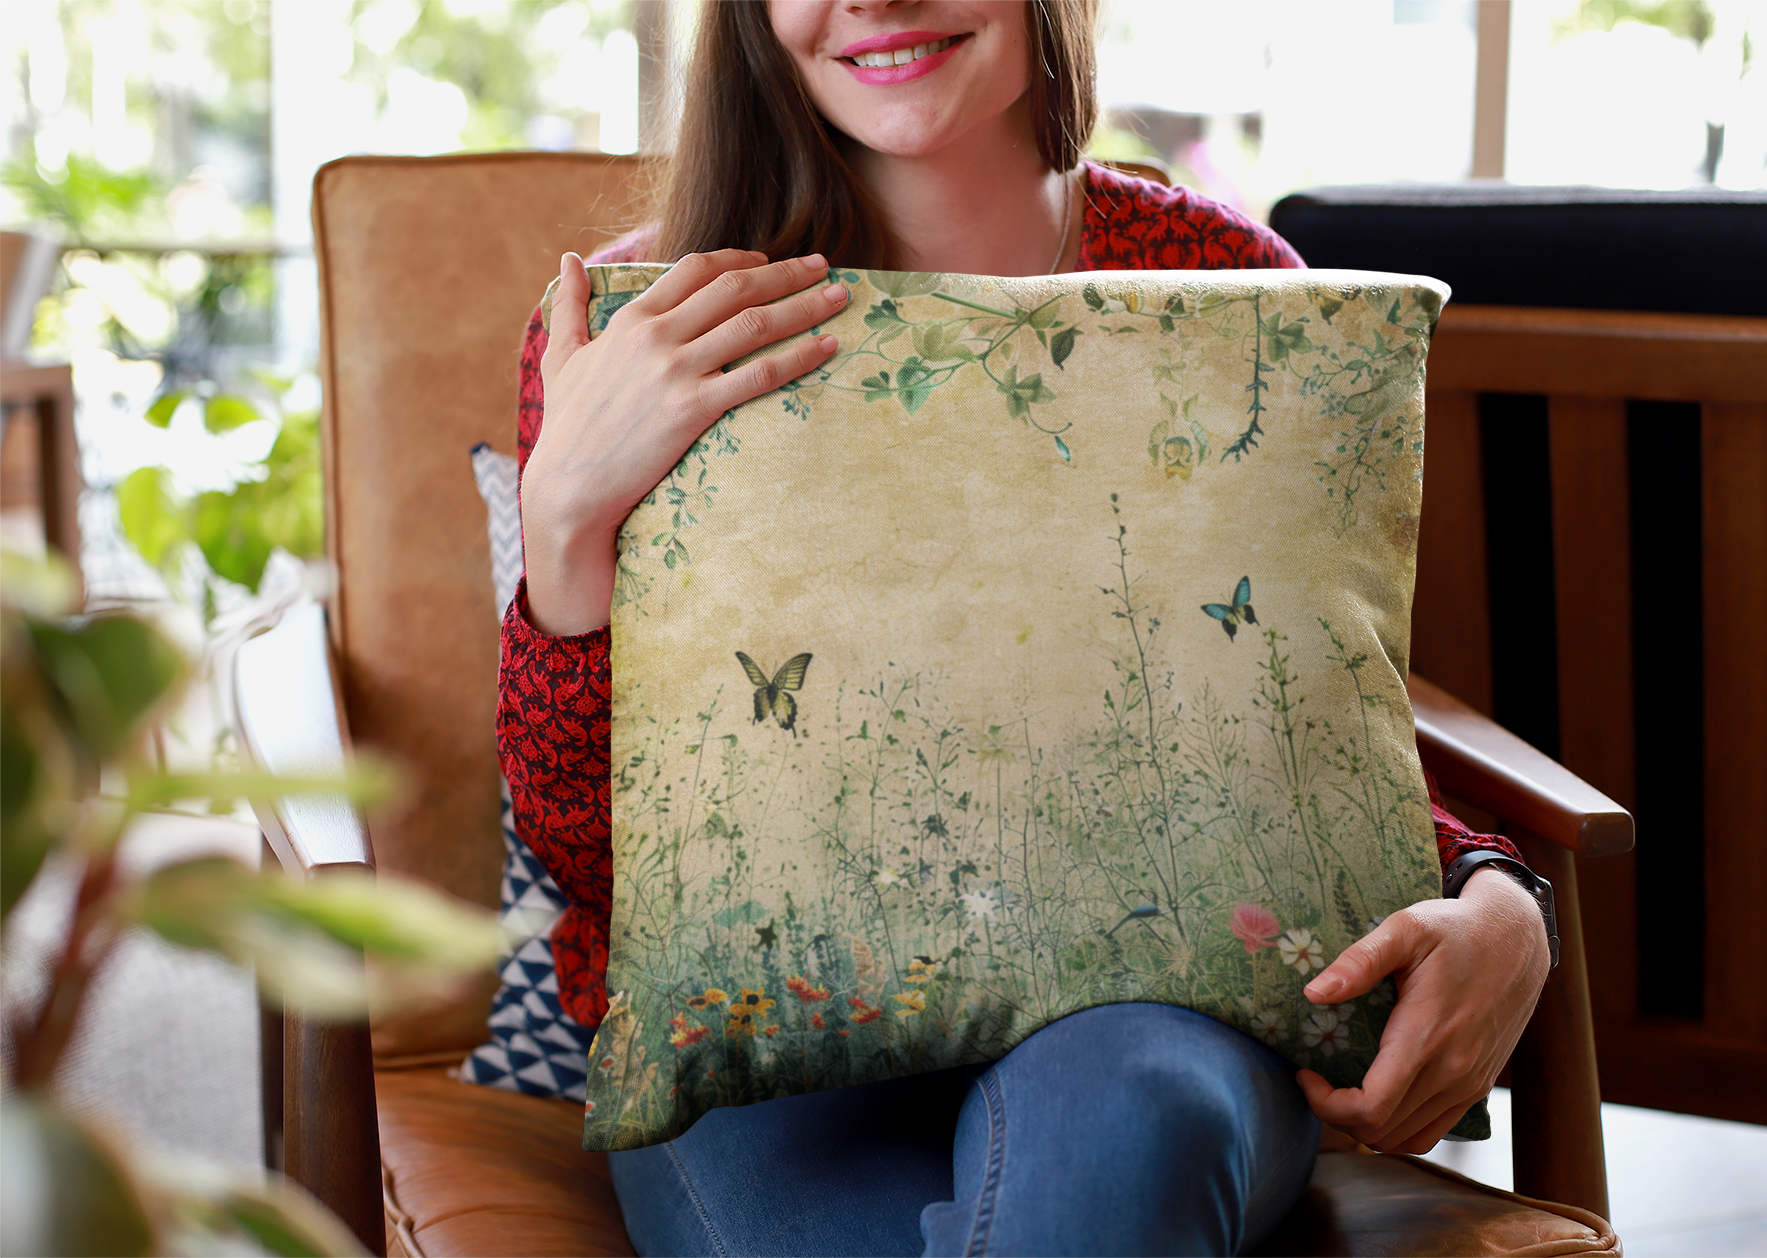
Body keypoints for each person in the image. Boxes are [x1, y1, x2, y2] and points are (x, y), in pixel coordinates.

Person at [499, 3, 1553, 1254]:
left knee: (1129, 1122)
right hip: (760, 1054)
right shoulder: (651, 328)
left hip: (1152, 1018)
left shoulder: (1235, 296)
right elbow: (590, 857)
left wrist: (1500, 893)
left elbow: (1288, 724)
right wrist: (564, 524)